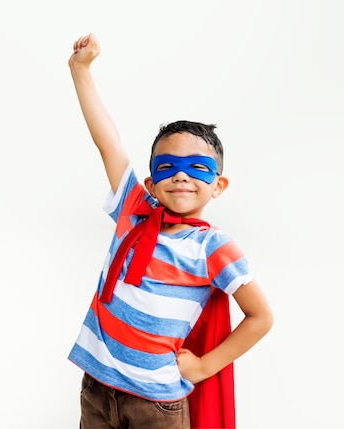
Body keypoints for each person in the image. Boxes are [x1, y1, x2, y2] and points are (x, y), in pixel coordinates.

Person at [66, 33, 273, 429]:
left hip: (157, 404)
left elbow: (260, 316)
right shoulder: (134, 212)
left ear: (218, 185)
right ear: (149, 183)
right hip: (97, 385)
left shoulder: (213, 247)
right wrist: (81, 71)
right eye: (167, 166)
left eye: (197, 167)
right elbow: (108, 144)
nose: (180, 174)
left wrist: (204, 365)